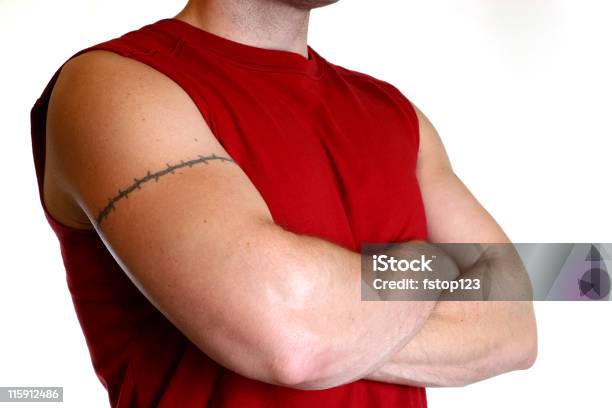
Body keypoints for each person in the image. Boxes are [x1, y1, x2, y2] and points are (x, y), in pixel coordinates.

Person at [30, 0, 537, 406]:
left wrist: (335, 321)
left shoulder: (396, 114)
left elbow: (515, 327)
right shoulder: (113, 85)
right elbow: (295, 336)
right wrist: (432, 262)